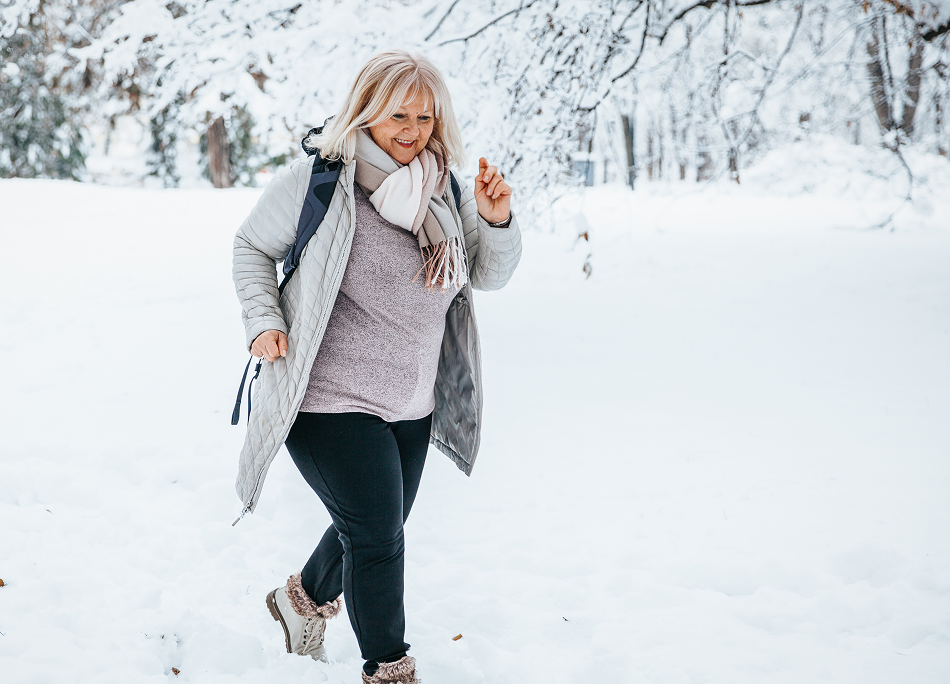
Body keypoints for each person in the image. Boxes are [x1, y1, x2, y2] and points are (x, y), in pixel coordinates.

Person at [231, 50, 522, 684]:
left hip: (411, 402)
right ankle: (389, 668)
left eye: (424, 115)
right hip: (325, 396)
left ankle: (301, 600)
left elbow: (488, 274)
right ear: (365, 110)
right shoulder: (323, 183)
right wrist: (265, 323)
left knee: (371, 525)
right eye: (397, 115)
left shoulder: (443, 186)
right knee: (379, 540)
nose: (413, 129)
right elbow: (251, 246)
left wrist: (495, 220)